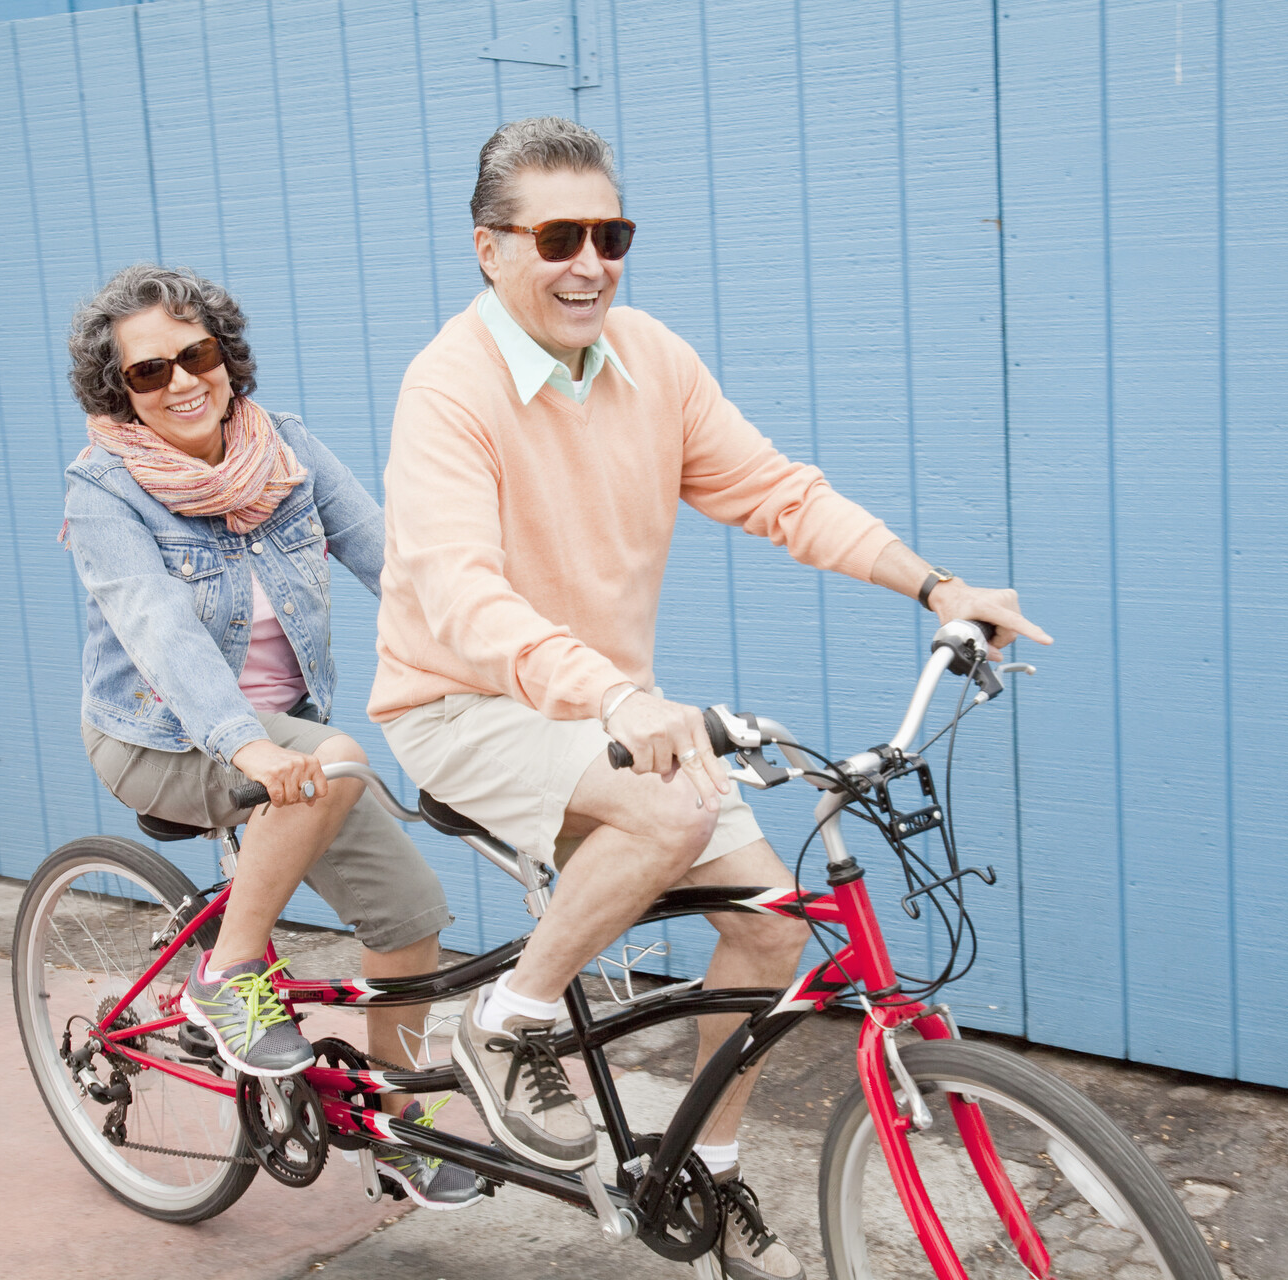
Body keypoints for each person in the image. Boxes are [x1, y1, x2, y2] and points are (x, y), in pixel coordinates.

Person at [370, 119, 1052, 1276]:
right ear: (489, 248)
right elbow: (462, 595)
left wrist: (934, 582)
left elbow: (780, 493)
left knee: (768, 925)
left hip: (607, 705)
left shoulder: (653, 359)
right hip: (462, 700)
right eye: (558, 236)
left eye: (612, 233)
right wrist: (614, 700)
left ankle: (708, 1173)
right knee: (675, 811)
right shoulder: (449, 388)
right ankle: (509, 1017)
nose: (591, 261)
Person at [62, 264, 478, 1209]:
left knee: (411, 917)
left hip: (288, 738)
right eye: (147, 372)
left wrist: (506, 653)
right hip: (160, 734)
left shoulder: (280, 446)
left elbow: (389, 556)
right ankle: (229, 974)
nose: (180, 381)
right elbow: (158, 628)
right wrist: (244, 746)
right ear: (117, 393)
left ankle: (394, 1125)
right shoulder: (105, 492)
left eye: (195, 354)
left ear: (225, 355)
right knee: (334, 764)